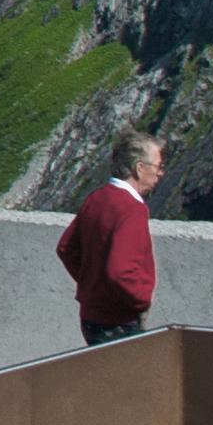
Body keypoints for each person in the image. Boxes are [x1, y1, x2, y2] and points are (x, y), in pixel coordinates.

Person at [58, 132, 164, 345]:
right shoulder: (132, 209)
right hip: (119, 321)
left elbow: (66, 248)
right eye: (158, 167)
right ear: (139, 168)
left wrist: (93, 284)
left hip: (91, 316)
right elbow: (120, 271)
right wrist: (141, 299)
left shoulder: (97, 198)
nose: (161, 173)